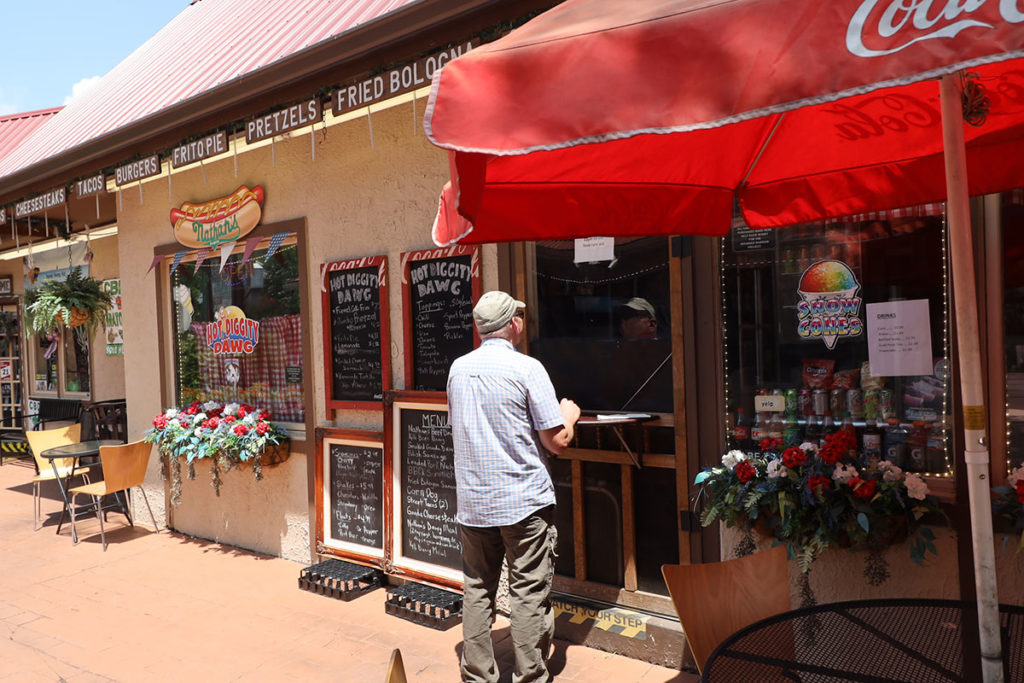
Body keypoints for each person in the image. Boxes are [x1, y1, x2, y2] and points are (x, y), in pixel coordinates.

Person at [447, 290, 581, 683]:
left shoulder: (459, 368)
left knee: (476, 589)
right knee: (527, 591)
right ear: (513, 324)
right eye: (519, 317)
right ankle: (530, 677)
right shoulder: (527, 368)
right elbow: (556, 440)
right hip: (522, 501)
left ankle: (477, 676)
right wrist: (568, 415)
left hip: (474, 502)